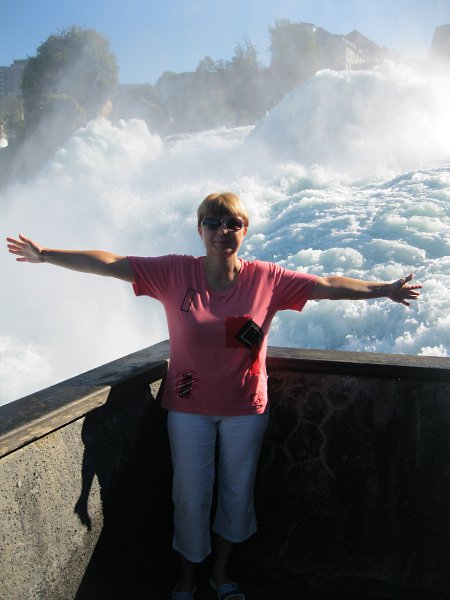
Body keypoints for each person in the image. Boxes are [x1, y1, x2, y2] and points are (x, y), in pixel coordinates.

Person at [6, 192, 421, 600]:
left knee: (237, 494)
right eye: (213, 223)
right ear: (200, 230)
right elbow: (112, 263)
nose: (223, 230)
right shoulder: (174, 272)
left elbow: (327, 285)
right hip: (188, 408)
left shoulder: (268, 279)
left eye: (232, 223)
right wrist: (46, 255)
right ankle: (187, 577)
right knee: (190, 496)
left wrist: (383, 289)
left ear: (245, 230)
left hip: (246, 408)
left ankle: (221, 572)